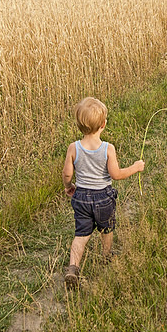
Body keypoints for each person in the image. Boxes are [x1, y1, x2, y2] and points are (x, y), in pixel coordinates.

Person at [62, 97, 144, 289]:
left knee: (81, 234)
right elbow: (116, 174)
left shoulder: (74, 148)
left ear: (79, 125)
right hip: (103, 198)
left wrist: (68, 186)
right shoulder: (108, 149)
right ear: (103, 124)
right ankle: (106, 256)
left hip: (81, 197)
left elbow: (67, 172)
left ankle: (73, 268)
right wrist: (135, 167)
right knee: (106, 228)